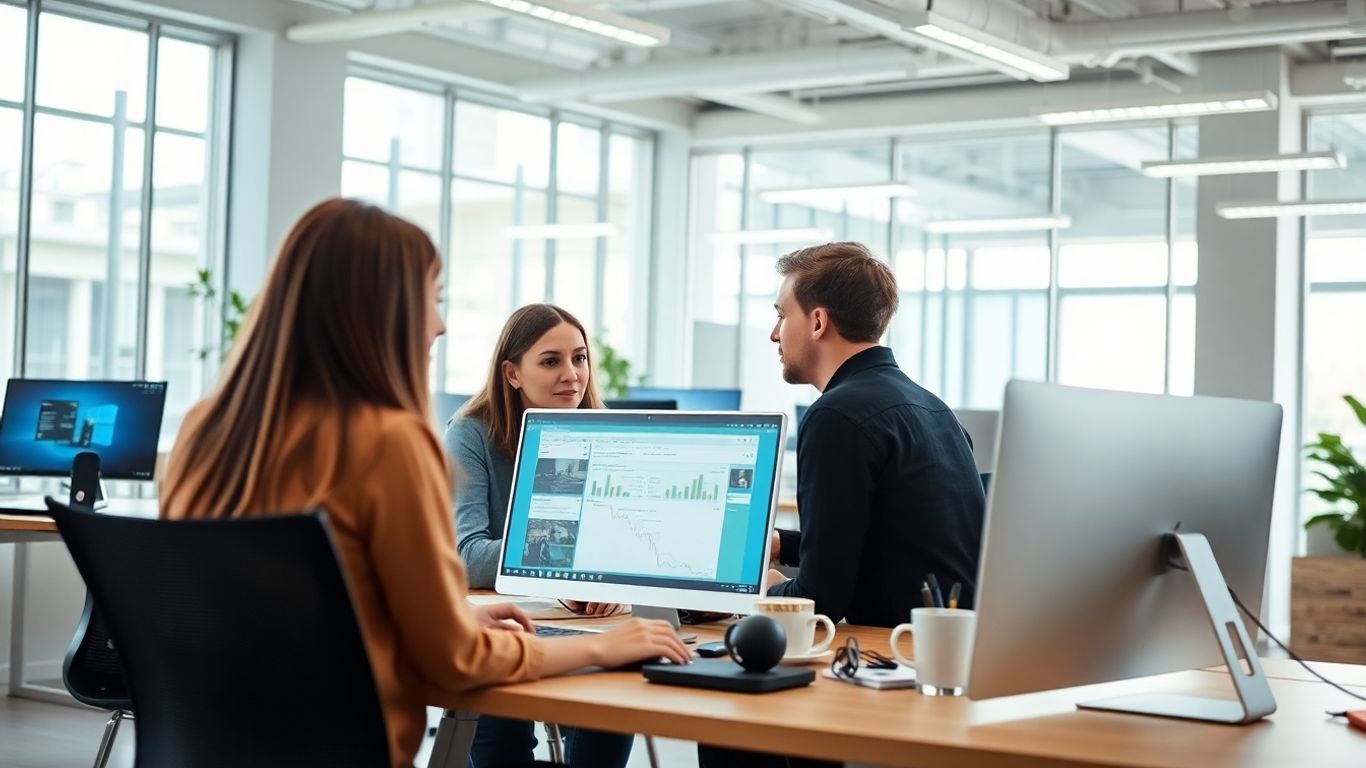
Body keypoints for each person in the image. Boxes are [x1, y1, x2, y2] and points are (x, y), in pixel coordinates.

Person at [160, 198, 689, 768]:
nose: (439, 323)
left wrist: (446, 614)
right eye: (430, 299)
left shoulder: (203, 427)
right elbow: (455, 662)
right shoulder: (389, 441)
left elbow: (285, 612)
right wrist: (601, 647)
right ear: (375, 311)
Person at [699, 241, 984, 768]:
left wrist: (739, 595)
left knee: (723, 700)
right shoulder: (930, 406)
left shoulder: (836, 415)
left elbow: (820, 599)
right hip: (944, 661)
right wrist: (784, 544)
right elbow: (887, 535)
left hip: (887, 667)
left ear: (818, 321)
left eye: (781, 315)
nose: (772, 332)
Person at [447, 303, 634, 768]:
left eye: (580, 357)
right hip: (502, 624)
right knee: (500, 747)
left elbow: (628, 547)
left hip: (592, 622)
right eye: (551, 361)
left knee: (614, 698)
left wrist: (613, 585)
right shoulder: (470, 434)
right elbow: (467, 554)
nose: (572, 374)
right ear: (512, 373)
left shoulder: (608, 432)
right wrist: (565, 574)